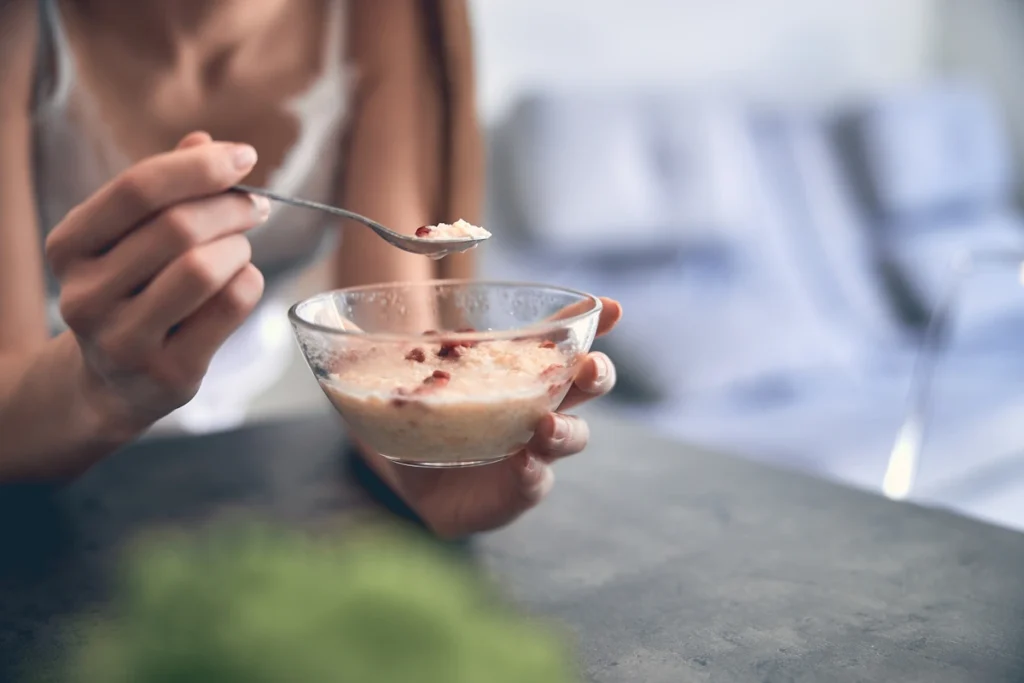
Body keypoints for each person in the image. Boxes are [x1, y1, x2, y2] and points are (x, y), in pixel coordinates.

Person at [0, 0, 621, 538]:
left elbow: (396, 343)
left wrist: (423, 463)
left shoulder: (388, 13)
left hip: (226, 459)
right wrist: (97, 390)